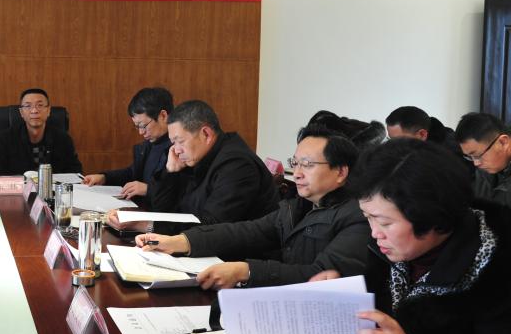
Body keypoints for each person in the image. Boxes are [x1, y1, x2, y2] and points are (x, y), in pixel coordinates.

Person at [315, 139, 511, 334]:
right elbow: (385, 302)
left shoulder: (497, 276)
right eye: (368, 218)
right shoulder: (396, 250)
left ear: (432, 218)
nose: (374, 233)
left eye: (384, 222)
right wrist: (346, 293)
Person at [137, 125, 367, 289]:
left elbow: (319, 275)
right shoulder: (300, 206)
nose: (296, 173)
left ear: (340, 171)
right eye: (295, 163)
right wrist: (181, 241)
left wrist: (245, 271)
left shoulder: (359, 217)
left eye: (307, 165)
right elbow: (248, 231)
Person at [143, 100, 278, 233]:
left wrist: (149, 226)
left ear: (206, 134)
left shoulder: (237, 165)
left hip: (240, 247)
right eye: (173, 143)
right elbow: (162, 210)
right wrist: (170, 172)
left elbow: (213, 226)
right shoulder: (196, 157)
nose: (176, 150)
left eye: (180, 141)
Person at [83, 87, 172, 207]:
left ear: (163, 116)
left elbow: (180, 192)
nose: (141, 132)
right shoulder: (149, 145)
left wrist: (148, 189)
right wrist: (104, 178)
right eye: (137, 126)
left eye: (143, 125)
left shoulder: (179, 149)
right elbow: (133, 173)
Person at [0, 88, 83, 175]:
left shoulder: (63, 139)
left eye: (40, 105)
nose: (34, 110)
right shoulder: (5, 139)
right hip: (17, 186)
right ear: (21, 112)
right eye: (28, 106)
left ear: (48, 110)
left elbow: (75, 173)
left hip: (52, 186)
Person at [455, 111, 511, 208]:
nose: (476, 163)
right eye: (469, 157)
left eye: (478, 155)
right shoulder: (484, 172)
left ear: (503, 142)